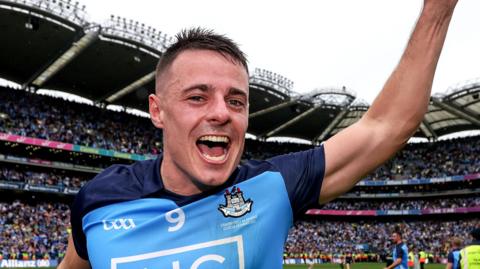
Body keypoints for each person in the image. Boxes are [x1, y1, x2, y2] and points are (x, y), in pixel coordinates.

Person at [58, 0, 459, 268]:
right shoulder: (98, 201)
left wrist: (437, 11)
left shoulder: (273, 187)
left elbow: (386, 125)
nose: (221, 113)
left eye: (236, 101)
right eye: (197, 97)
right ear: (157, 111)